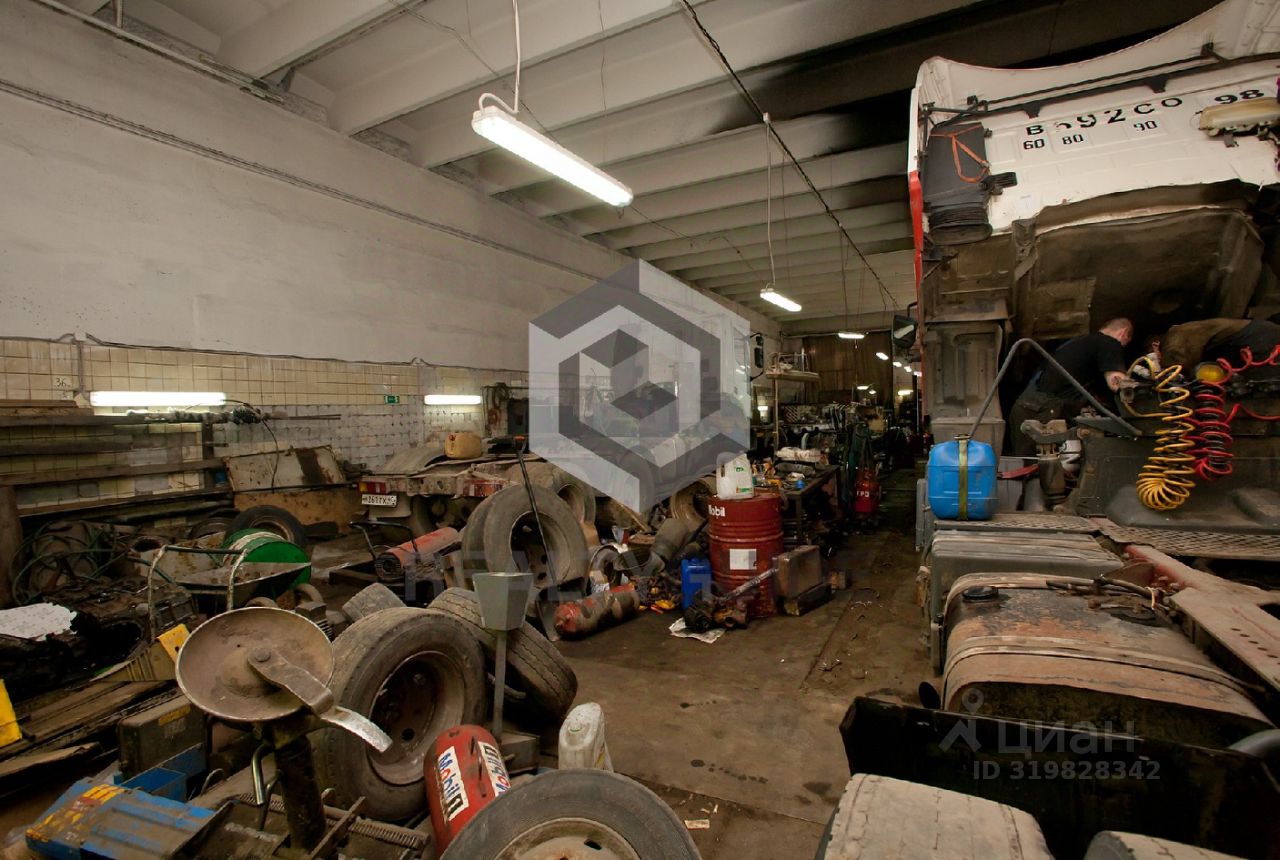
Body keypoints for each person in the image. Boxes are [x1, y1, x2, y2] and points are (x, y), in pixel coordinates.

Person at [1008, 318, 1133, 455]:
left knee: (1027, 465)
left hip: (1025, 408)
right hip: (1045, 411)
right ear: (1123, 333)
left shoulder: (1077, 343)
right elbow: (1117, 383)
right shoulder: (1110, 343)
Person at [1159, 318, 1280, 379]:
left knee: (1261, 390)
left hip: (1257, 338)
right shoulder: (1188, 330)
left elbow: (1174, 371)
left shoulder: (1176, 337)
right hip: (1264, 332)